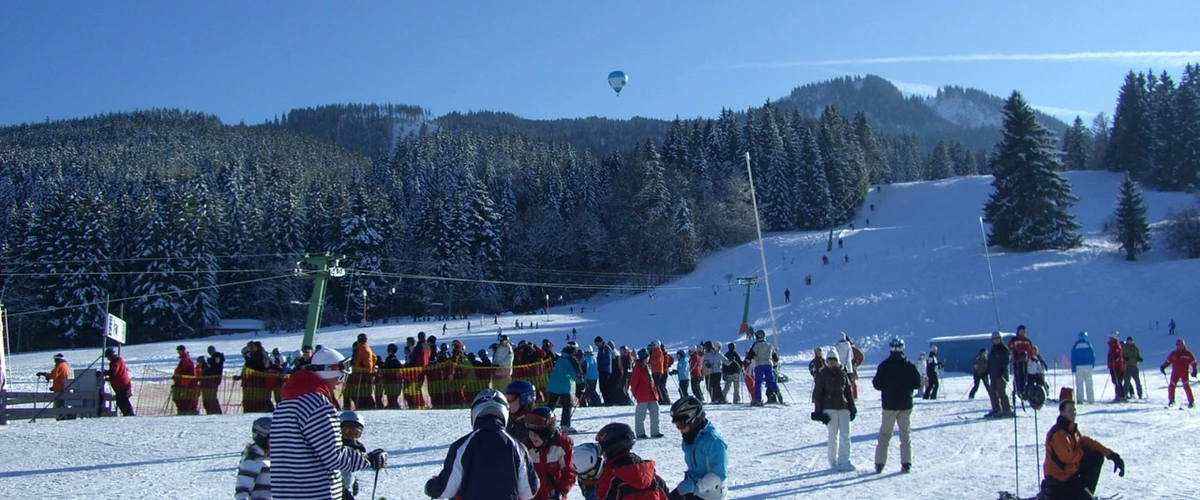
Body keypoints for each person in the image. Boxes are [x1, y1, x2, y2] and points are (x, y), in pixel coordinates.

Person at [270, 346, 387, 500]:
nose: (340, 381)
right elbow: (333, 455)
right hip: (314, 494)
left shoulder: (286, 402)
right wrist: (368, 459)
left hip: (286, 493)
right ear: (330, 372)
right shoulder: (317, 404)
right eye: (340, 376)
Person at [425, 389, 539, 500]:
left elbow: (447, 489)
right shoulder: (517, 447)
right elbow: (529, 491)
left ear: (475, 412)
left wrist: (432, 486)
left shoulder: (463, 445)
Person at [1041, 400, 1125, 500]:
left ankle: (1086, 492)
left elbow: (1090, 443)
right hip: (1059, 478)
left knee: (1096, 455)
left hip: (1069, 474)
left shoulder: (1071, 430)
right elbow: (1068, 457)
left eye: (1074, 410)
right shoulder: (1059, 434)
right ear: (1062, 413)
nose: (1073, 413)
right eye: (1070, 410)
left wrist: (1111, 455)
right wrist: (1082, 452)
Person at [872, 338, 922, 474]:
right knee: (905, 435)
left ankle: (879, 463)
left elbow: (876, 384)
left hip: (889, 405)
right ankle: (906, 463)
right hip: (905, 405)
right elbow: (917, 383)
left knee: (884, 435)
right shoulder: (909, 366)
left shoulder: (884, 366)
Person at [668, 397, 727, 500]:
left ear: (694, 420)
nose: (679, 429)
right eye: (677, 425)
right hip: (694, 487)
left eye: (681, 425)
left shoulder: (714, 441)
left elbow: (719, 475)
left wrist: (696, 487)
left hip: (711, 495)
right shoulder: (690, 438)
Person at [594, 423, 669, 500]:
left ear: (610, 448)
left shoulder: (610, 478)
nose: (601, 454)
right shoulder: (651, 476)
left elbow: (600, 496)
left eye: (602, 449)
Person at [813, 349, 856, 471]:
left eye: (834, 360)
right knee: (833, 435)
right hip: (829, 408)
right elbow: (819, 394)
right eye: (829, 360)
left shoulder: (843, 375)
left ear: (837, 361)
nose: (831, 362)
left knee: (845, 435)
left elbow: (848, 392)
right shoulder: (822, 375)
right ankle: (833, 461)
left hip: (843, 408)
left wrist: (852, 408)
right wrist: (818, 412)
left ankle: (844, 460)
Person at [523, 406, 577, 500]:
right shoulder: (525, 448)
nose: (533, 436)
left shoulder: (563, 445)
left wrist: (560, 491)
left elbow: (569, 472)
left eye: (537, 433)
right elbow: (520, 477)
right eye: (530, 432)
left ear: (547, 432)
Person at [547, 344, 585, 433]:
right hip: (564, 386)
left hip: (553, 385)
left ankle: (542, 419)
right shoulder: (571, 360)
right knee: (567, 405)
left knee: (551, 406)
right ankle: (565, 425)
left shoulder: (561, 358)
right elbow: (575, 373)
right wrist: (582, 383)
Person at [236, 416, 273, 500]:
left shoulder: (270, 457)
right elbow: (242, 491)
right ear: (261, 437)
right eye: (272, 437)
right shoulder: (253, 461)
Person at [631, 348, 663, 439]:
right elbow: (633, 384)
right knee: (640, 416)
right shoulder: (637, 368)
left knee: (655, 412)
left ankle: (655, 432)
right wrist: (636, 395)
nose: (648, 359)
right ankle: (640, 433)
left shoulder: (646, 366)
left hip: (652, 394)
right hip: (642, 395)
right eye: (647, 357)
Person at [1159, 338, 1197, 408]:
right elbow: (1168, 361)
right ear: (1176, 345)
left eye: (1181, 344)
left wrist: (1194, 371)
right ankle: (1171, 401)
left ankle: (1191, 402)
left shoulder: (1188, 353)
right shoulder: (1173, 354)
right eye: (1178, 344)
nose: (1180, 346)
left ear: (1184, 345)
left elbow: (1193, 362)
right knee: (1171, 386)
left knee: (1186, 386)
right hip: (1175, 373)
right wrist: (1163, 367)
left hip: (1184, 373)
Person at [339, 411, 366, 500]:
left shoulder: (357, 448)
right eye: (347, 432)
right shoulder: (333, 447)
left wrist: (355, 481)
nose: (351, 437)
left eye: (355, 434)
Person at [747, 331, 779, 406]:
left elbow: (751, 355)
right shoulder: (769, 345)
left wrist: (747, 360)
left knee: (758, 383)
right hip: (769, 365)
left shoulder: (756, 345)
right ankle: (778, 392)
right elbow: (776, 358)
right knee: (770, 381)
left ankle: (758, 400)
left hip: (759, 365)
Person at [36, 353, 73, 418]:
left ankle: (62, 417)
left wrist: (44, 374)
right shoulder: (65, 366)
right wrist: (53, 387)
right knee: (63, 404)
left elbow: (54, 375)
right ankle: (63, 416)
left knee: (59, 405)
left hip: (60, 389)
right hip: (64, 387)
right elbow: (60, 377)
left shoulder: (59, 366)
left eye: (55, 359)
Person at [986, 331, 1013, 418]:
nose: (996, 340)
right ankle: (996, 409)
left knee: (1001, 392)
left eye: (997, 338)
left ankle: (1007, 410)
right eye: (994, 339)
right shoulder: (993, 350)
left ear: (1000, 339)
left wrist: (1002, 369)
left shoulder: (1004, 349)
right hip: (993, 375)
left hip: (1001, 375)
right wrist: (987, 371)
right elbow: (990, 362)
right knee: (992, 392)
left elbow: (1006, 360)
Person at [103, 347, 135, 416]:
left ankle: (129, 415)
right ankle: (128, 414)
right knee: (122, 402)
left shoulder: (115, 361)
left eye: (107, 357)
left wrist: (105, 373)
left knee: (123, 402)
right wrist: (109, 379)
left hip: (121, 385)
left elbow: (114, 372)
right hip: (123, 384)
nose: (107, 359)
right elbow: (118, 374)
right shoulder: (120, 360)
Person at [1008, 325, 1035, 397]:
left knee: (1024, 375)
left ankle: (1023, 390)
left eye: (1023, 331)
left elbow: (1030, 350)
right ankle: (1017, 390)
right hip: (1016, 360)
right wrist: (1014, 353)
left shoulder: (1027, 341)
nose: (1021, 332)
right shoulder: (1014, 340)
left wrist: (1030, 357)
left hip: (1025, 360)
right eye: (1020, 331)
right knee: (1018, 375)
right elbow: (1009, 347)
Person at [172, 345, 199, 416]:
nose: (178, 353)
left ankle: (184, 411)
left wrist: (178, 377)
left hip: (185, 383)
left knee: (180, 398)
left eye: (179, 351)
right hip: (183, 382)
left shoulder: (185, 359)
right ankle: (184, 410)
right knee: (182, 398)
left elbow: (184, 371)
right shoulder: (185, 359)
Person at [1070, 331, 1095, 404]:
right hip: (1088, 366)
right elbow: (1093, 356)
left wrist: (1073, 368)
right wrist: (1092, 365)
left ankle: (1080, 399)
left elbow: (1073, 358)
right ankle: (1091, 399)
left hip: (1079, 367)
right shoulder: (1089, 345)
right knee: (1089, 383)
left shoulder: (1076, 346)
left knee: (1079, 384)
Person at [1120, 336, 1144, 400]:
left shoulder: (1136, 349)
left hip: (1134, 366)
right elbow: (1121, 355)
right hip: (1127, 367)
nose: (1130, 342)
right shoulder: (1124, 348)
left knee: (1137, 381)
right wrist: (1124, 358)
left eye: (1131, 341)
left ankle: (1140, 394)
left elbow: (1137, 356)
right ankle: (1125, 394)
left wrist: (1139, 359)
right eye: (1128, 341)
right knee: (1127, 382)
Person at [1105, 333, 1125, 403]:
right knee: (1115, 381)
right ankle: (1118, 395)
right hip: (1113, 365)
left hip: (1117, 366)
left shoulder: (1116, 345)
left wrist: (1114, 359)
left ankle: (1121, 396)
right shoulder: (1112, 345)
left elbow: (1118, 355)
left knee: (1118, 380)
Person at [595, 336, 614, 406]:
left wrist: (600, 363)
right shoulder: (601, 349)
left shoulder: (606, 348)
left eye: (597, 344)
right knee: (602, 387)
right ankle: (606, 400)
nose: (597, 345)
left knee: (605, 387)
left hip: (605, 370)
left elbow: (607, 360)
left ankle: (608, 401)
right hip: (601, 370)